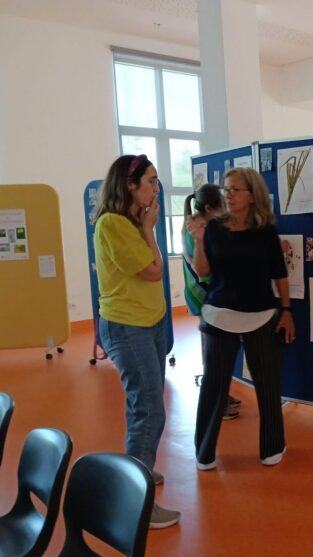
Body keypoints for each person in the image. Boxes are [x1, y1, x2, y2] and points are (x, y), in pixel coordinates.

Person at [93, 154, 180, 529]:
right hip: (129, 327)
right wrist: (148, 229)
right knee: (150, 409)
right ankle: (137, 503)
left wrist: (146, 228)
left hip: (149, 323)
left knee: (143, 403)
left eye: (157, 181)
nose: (156, 188)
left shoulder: (132, 222)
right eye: (151, 181)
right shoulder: (113, 224)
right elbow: (154, 270)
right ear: (129, 185)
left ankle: (136, 467)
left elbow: (154, 269)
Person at [188, 167, 294, 470]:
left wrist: (287, 311)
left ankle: (272, 447)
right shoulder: (214, 228)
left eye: (235, 190)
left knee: (268, 385)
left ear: (252, 195)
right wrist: (199, 240)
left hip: (261, 316)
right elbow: (203, 271)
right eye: (226, 189)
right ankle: (204, 452)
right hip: (219, 316)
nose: (229, 195)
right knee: (214, 386)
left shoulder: (266, 231)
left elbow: (279, 274)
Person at [182, 184, 241, 420]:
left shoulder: (196, 224)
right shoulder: (198, 229)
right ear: (209, 208)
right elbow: (205, 270)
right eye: (222, 205)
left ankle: (221, 394)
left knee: (214, 350)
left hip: (204, 295)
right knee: (212, 353)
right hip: (204, 295)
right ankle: (216, 403)